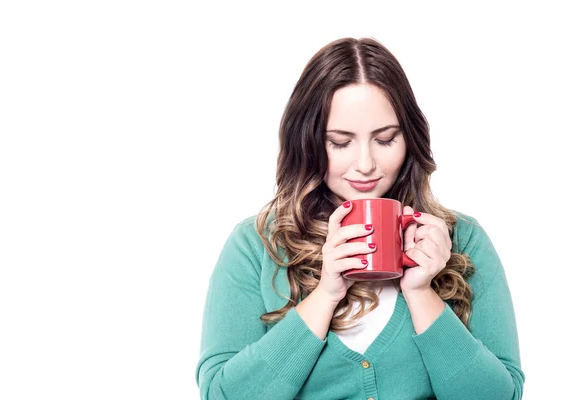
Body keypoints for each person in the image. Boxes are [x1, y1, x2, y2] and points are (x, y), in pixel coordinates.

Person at [195, 37, 525, 399]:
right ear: (307, 142)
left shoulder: (462, 239)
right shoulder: (254, 245)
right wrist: (326, 295)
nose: (366, 165)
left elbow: (500, 395)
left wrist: (420, 293)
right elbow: (223, 395)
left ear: (409, 139)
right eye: (340, 142)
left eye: (385, 140)